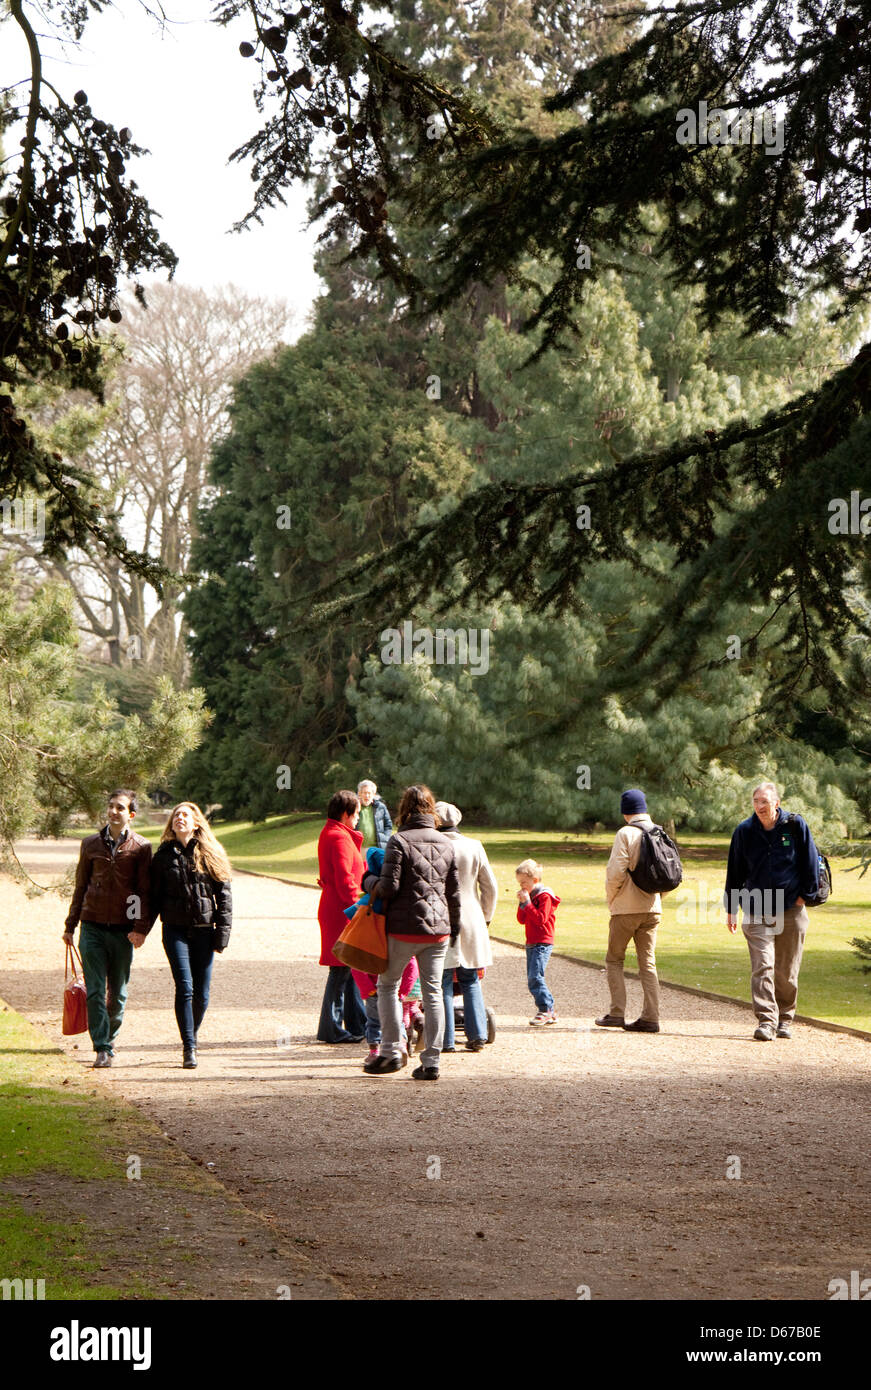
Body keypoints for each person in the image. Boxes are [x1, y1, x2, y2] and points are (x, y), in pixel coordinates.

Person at [363, 784, 461, 1080]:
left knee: (389, 986)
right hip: (438, 930)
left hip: (404, 928)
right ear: (431, 809)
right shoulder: (446, 843)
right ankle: (432, 1060)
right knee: (433, 993)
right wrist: (454, 928)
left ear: (404, 808)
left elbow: (389, 887)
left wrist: (368, 881)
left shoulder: (399, 840)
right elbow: (453, 892)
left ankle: (392, 1051)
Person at [62, 789, 152, 1069]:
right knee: (95, 991)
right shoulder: (90, 844)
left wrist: (139, 928)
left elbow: (142, 892)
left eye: (120, 808)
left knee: (119, 992)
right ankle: (101, 1047)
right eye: (111, 806)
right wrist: (70, 924)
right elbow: (80, 886)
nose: (114, 811)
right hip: (92, 928)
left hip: (123, 931)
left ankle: (110, 1038)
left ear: (131, 814)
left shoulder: (141, 847)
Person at [724, 781, 820, 1041]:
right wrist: (731, 909)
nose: (760, 807)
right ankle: (766, 1020)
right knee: (763, 966)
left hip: (791, 908)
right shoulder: (744, 831)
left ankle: (785, 1020)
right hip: (757, 907)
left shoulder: (795, 825)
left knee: (786, 972)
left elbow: (811, 863)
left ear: (777, 803)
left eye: (765, 801)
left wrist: (803, 898)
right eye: (756, 801)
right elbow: (735, 871)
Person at [150, 802, 232, 1069]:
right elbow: (152, 898)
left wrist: (223, 934)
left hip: (204, 931)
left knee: (203, 994)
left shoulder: (211, 853)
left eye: (185, 815)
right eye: (176, 815)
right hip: (174, 930)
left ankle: (190, 1034)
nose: (180, 818)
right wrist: (139, 929)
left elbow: (224, 897)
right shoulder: (162, 857)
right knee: (184, 987)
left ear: (196, 822)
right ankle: (189, 1047)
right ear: (171, 824)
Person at [596, 788, 662, 1033]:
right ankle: (651, 1017)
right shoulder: (658, 831)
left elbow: (615, 872)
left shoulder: (626, 833)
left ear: (625, 812)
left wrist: (612, 899)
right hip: (653, 908)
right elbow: (668, 873)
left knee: (615, 959)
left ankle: (616, 1013)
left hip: (625, 908)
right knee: (648, 963)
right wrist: (658, 898)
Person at [435, 801, 497, 1053]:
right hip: (471, 915)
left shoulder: (434, 845)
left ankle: (446, 1039)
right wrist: (486, 916)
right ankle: (477, 1034)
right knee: (471, 978)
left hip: (441, 916)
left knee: (443, 980)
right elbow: (490, 887)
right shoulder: (474, 846)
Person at [316, 790, 368, 1044]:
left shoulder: (334, 833)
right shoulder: (338, 837)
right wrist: (357, 908)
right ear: (345, 814)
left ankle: (356, 1022)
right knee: (340, 970)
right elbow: (345, 879)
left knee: (348, 969)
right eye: (356, 813)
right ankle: (331, 1028)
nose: (358, 818)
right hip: (341, 911)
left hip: (337, 907)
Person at [516, 859, 561, 1025]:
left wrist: (527, 903)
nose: (521, 886)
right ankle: (550, 1010)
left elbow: (541, 919)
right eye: (520, 882)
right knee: (532, 977)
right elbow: (521, 920)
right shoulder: (530, 896)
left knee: (535, 977)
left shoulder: (545, 896)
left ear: (534, 880)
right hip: (531, 941)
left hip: (543, 941)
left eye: (524, 882)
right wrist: (522, 904)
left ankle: (545, 1009)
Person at [356, 780, 393, 850]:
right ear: (360, 793)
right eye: (364, 793)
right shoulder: (354, 807)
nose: (367, 796)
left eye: (369, 793)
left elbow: (388, 825)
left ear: (373, 794)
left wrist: (386, 838)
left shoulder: (380, 807)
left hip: (377, 848)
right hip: (358, 848)